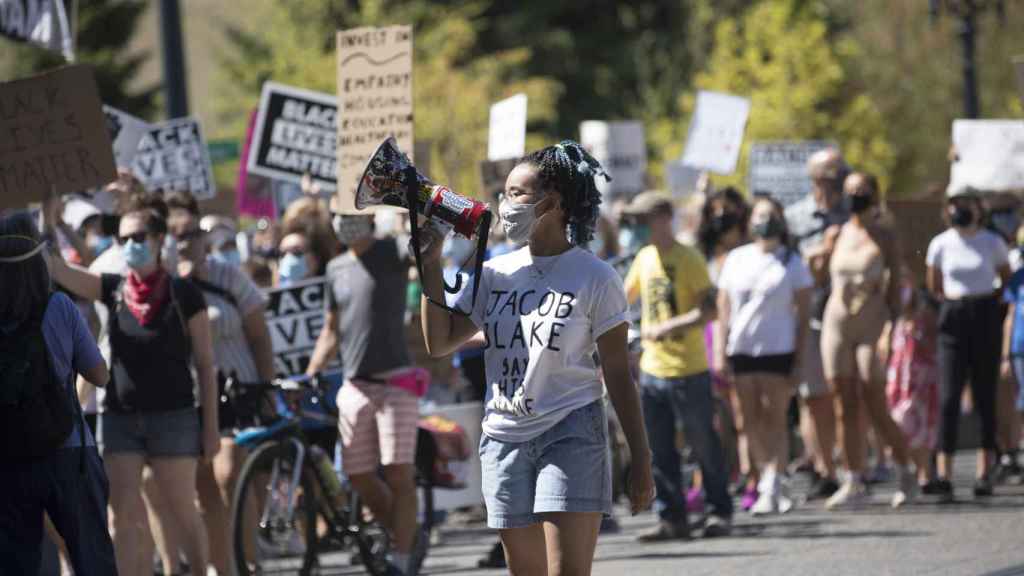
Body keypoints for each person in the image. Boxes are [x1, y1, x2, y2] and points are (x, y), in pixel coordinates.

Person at [421, 141, 654, 575]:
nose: (502, 205)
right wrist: (429, 261)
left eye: (515, 194)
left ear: (552, 203)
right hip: (504, 437)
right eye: (503, 193)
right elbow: (440, 342)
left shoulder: (596, 277)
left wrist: (641, 458)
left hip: (570, 432)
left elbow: (619, 375)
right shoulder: (492, 273)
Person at [46, 196, 219, 576]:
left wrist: (210, 428)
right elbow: (57, 270)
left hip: (174, 418)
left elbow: (206, 366)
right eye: (123, 239)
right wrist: (51, 217)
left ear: (159, 240)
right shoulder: (112, 289)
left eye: (139, 236)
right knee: (120, 515)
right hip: (120, 420)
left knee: (182, 510)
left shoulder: (185, 294)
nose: (130, 245)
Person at [0, 212, 117, 576]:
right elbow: (99, 376)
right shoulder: (59, 307)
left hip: (9, 458)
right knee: (92, 559)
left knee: (18, 565)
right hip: (69, 454)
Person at [306, 209, 422, 574]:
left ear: (370, 216)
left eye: (349, 213)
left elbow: (422, 247)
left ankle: (401, 560)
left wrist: (409, 209)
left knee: (397, 471)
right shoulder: (335, 267)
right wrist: (311, 370)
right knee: (357, 474)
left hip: (396, 384)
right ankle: (407, 533)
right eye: (336, 214)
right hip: (355, 386)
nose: (342, 221)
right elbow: (331, 328)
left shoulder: (393, 251)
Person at [167, 191, 277, 575]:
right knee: (202, 489)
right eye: (177, 234)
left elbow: (260, 337)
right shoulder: (159, 287)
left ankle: (248, 562)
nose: (187, 242)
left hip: (236, 392)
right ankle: (222, 566)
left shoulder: (228, 276)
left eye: (193, 233)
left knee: (229, 472)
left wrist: (268, 387)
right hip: (186, 400)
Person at [621, 190, 733, 541]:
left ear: (663, 218)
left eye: (643, 220)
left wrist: (670, 326)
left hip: (689, 369)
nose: (637, 227)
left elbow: (710, 311)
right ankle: (672, 518)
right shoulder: (643, 258)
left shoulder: (690, 259)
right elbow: (623, 299)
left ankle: (719, 511)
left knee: (703, 444)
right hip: (653, 371)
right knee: (659, 449)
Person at [820, 172, 916, 509]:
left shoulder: (885, 235)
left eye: (861, 191)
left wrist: (892, 329)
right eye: (850, 191)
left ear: (874, 195)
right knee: (842, 403)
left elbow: (897, 287)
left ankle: (905, 468)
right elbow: (821, 276)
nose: (855, 196)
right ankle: (854, 479)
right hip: (837, 322)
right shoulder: (837, 233)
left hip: (872, 322)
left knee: (873, 399)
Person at [716, 194, 812, 515]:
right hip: (742, 350)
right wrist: (721, 350)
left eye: (770, 215)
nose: (764, 221)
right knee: (748, 421)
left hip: (778, 350)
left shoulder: (792, 262)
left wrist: (799, 359)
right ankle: (767, 478)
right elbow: (723, 308)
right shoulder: (736, 259)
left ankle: (773, 481)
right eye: (759, 215)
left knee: (776, 418)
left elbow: (803, 314)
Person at [926, 190, 1011, 500]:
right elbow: (934, 284)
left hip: (985, 313)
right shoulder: (941, 243)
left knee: (984, 395)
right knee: (949, 397)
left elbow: (1006, 279)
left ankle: (984, 470)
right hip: (953, 316)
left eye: (966, 207)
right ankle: (944, 473)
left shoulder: (991, 242)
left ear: (979, 210)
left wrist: (991, 306)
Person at [788, 148, 848, 500]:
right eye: (828, 174)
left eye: (839, 173)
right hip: (809, 316)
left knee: (844, 392)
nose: (835, 181)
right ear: (814, 178)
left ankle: (850, 464)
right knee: (812, 397)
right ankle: (822, 468)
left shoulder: (853, 214)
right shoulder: (796, 218)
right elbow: (789, 266)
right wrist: (820, 253)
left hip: (849, 317)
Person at [696, 187, 756, 509]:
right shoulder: (702, 255)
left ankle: (752, 477)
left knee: (743, 416)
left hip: (738, 336)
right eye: (716, 213)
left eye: (728, 213)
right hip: (707, 338)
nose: (722, 219)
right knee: (713, 418)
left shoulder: (750, 252)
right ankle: (713, 478)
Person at [885, 268, 940, 488]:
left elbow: (932, 344)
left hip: (922, 377)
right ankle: (910, 471)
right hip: (900, 377)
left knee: (923, 423)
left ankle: (925, 473)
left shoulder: (925, 311)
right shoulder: (892, 316)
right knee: (901, 420)